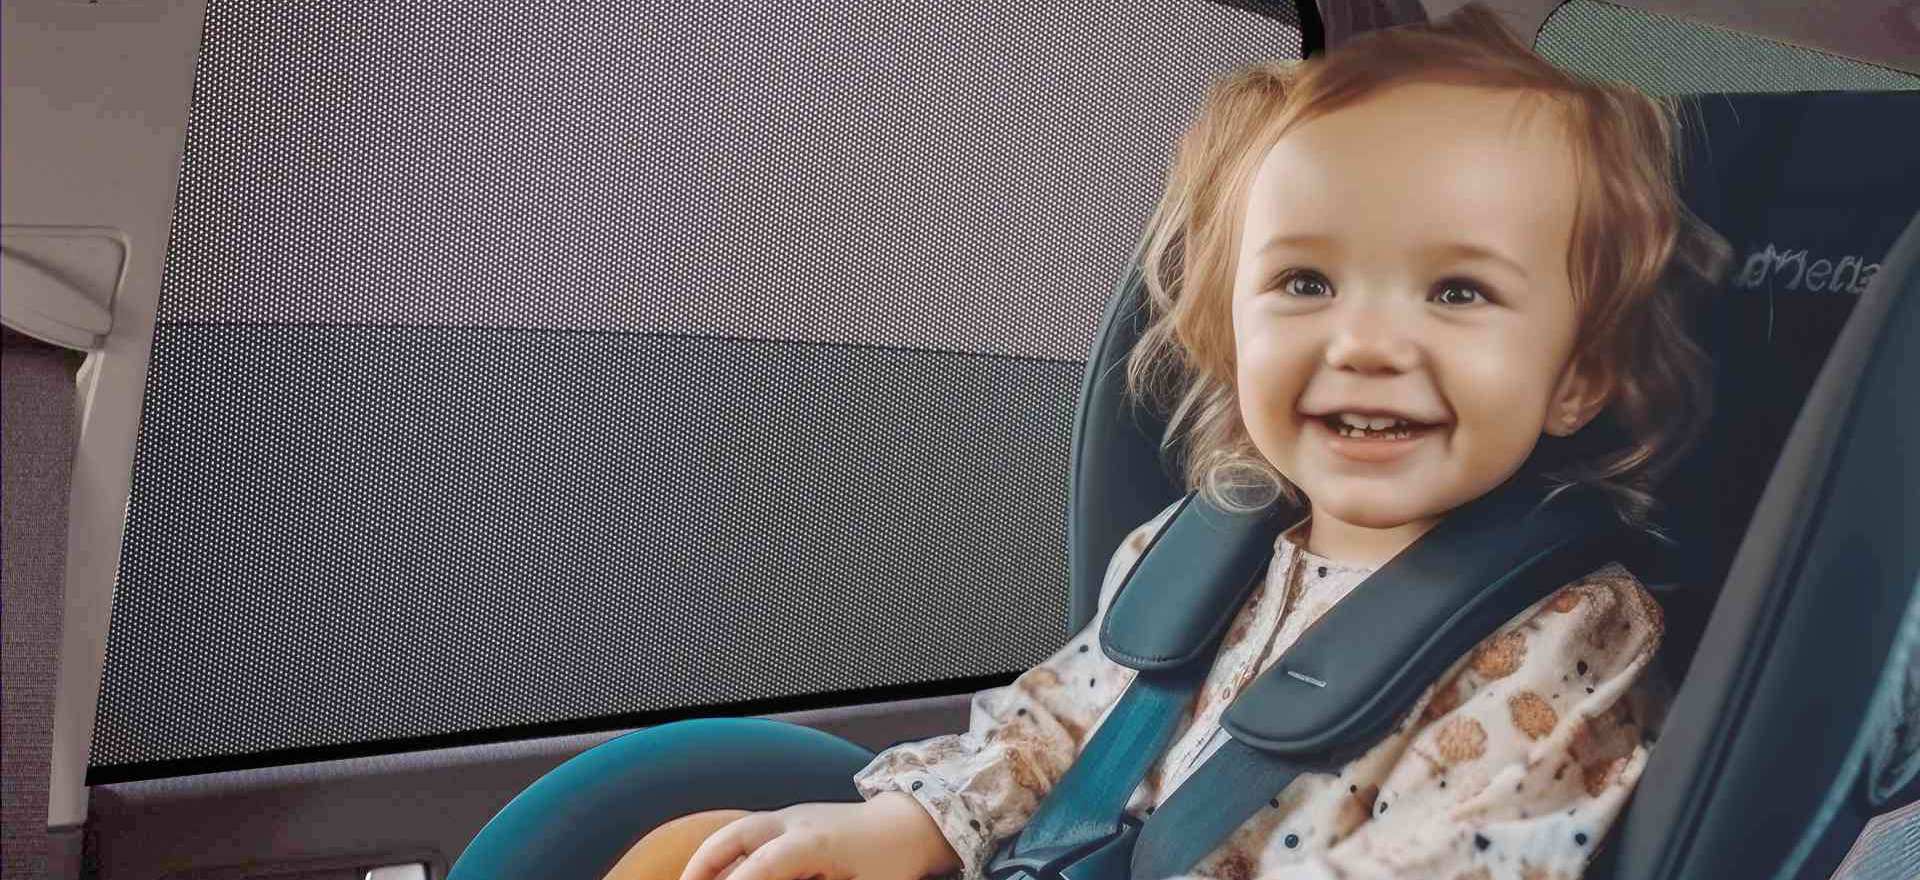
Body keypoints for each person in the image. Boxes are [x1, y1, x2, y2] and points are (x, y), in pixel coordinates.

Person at [634, 4, 1731, 878]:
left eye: (1457, 290)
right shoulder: (1202, 544)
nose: (1366, 342)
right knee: (696, 844)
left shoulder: (1565, 633)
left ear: (1578, 373)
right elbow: (1056, 722)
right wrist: (917, 826)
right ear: (1226, 328)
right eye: (1307, 281)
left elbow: (1455, 857)